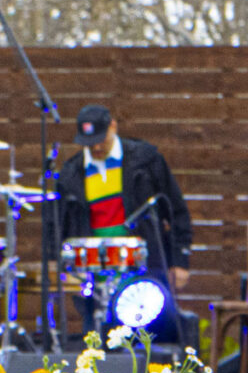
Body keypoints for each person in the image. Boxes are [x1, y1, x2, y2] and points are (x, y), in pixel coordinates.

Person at [53, 104, 193, 299]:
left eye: (100, 140)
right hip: (93, 276)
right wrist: (62, 268)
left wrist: (180, 260)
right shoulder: (71, 174)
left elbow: (176, 211)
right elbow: (57, 226)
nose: (96, 147)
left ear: (113, 126)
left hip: (145, 269)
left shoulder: (146, 160)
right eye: (89, 143)